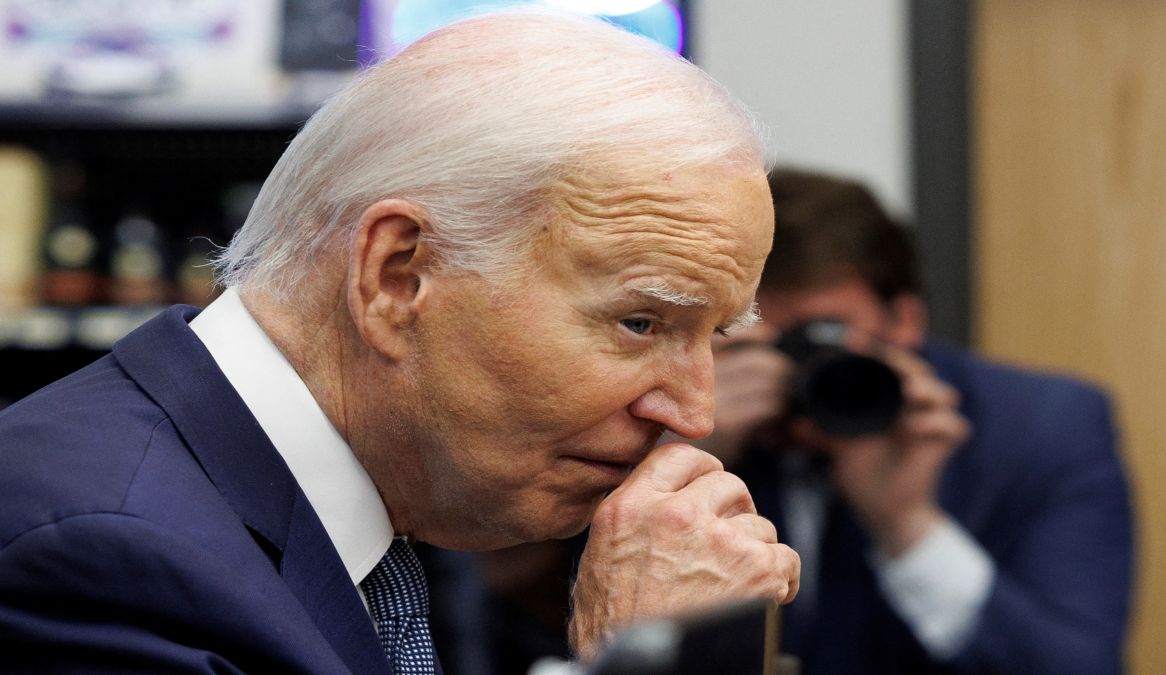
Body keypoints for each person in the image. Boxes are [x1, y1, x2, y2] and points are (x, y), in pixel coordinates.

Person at [0, 11, 801, 673]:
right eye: (640, 322)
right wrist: (642, 659)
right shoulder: (99, 557)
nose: (694, 413)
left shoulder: (358, 515)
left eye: (717, 335)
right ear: (396, 276)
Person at [708, 168, 1134, 673]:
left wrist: (908, 527)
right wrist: (690, 456)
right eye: (752, 331)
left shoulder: (1043, 427)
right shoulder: (679, 423)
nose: (792, 368)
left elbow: (1078, 664)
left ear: (905, 320)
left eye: (821, 336)